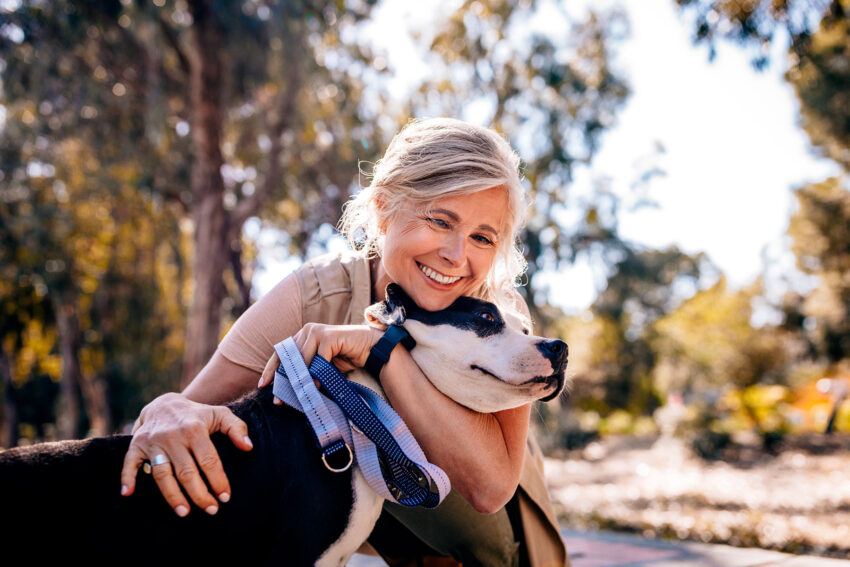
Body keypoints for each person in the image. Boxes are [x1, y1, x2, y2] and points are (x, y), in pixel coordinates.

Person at [120, 117, 569, 567]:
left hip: (496, 550)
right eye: (439, 220)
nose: (456, 255)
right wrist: (165, 410)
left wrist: (383, 351)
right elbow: (189, 409)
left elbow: (489, 490)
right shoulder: (315, 294)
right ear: (383, 208)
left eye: (482, 237)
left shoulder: (502, 317)